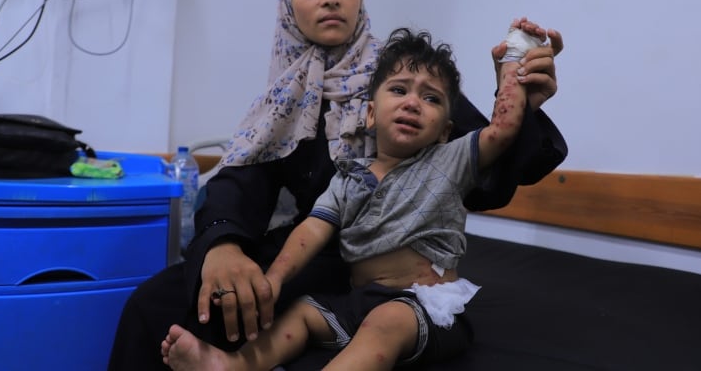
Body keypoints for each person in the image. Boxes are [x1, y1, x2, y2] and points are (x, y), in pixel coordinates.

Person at [108, 0, 567, 370]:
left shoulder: (402, 76)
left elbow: (489, 166)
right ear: (290, 3)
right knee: (158, 307)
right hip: (307, 254)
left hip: (382, 273)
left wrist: (519, 95)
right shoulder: (283, 98)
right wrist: (223, 245)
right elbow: (242, 183)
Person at [159, 25, 541, 370]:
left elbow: (504, 129)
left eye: (431, 99)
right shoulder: (349, 177)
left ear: (445, 131)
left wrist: (512, 62)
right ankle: (232, 366)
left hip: (424, 307)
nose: (412, 102)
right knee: (302, 314)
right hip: (360, 301)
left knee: (384, 324)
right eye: (399, 89)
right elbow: (312, 231)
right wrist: (273, 279)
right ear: (371, 115)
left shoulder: (449, 160)